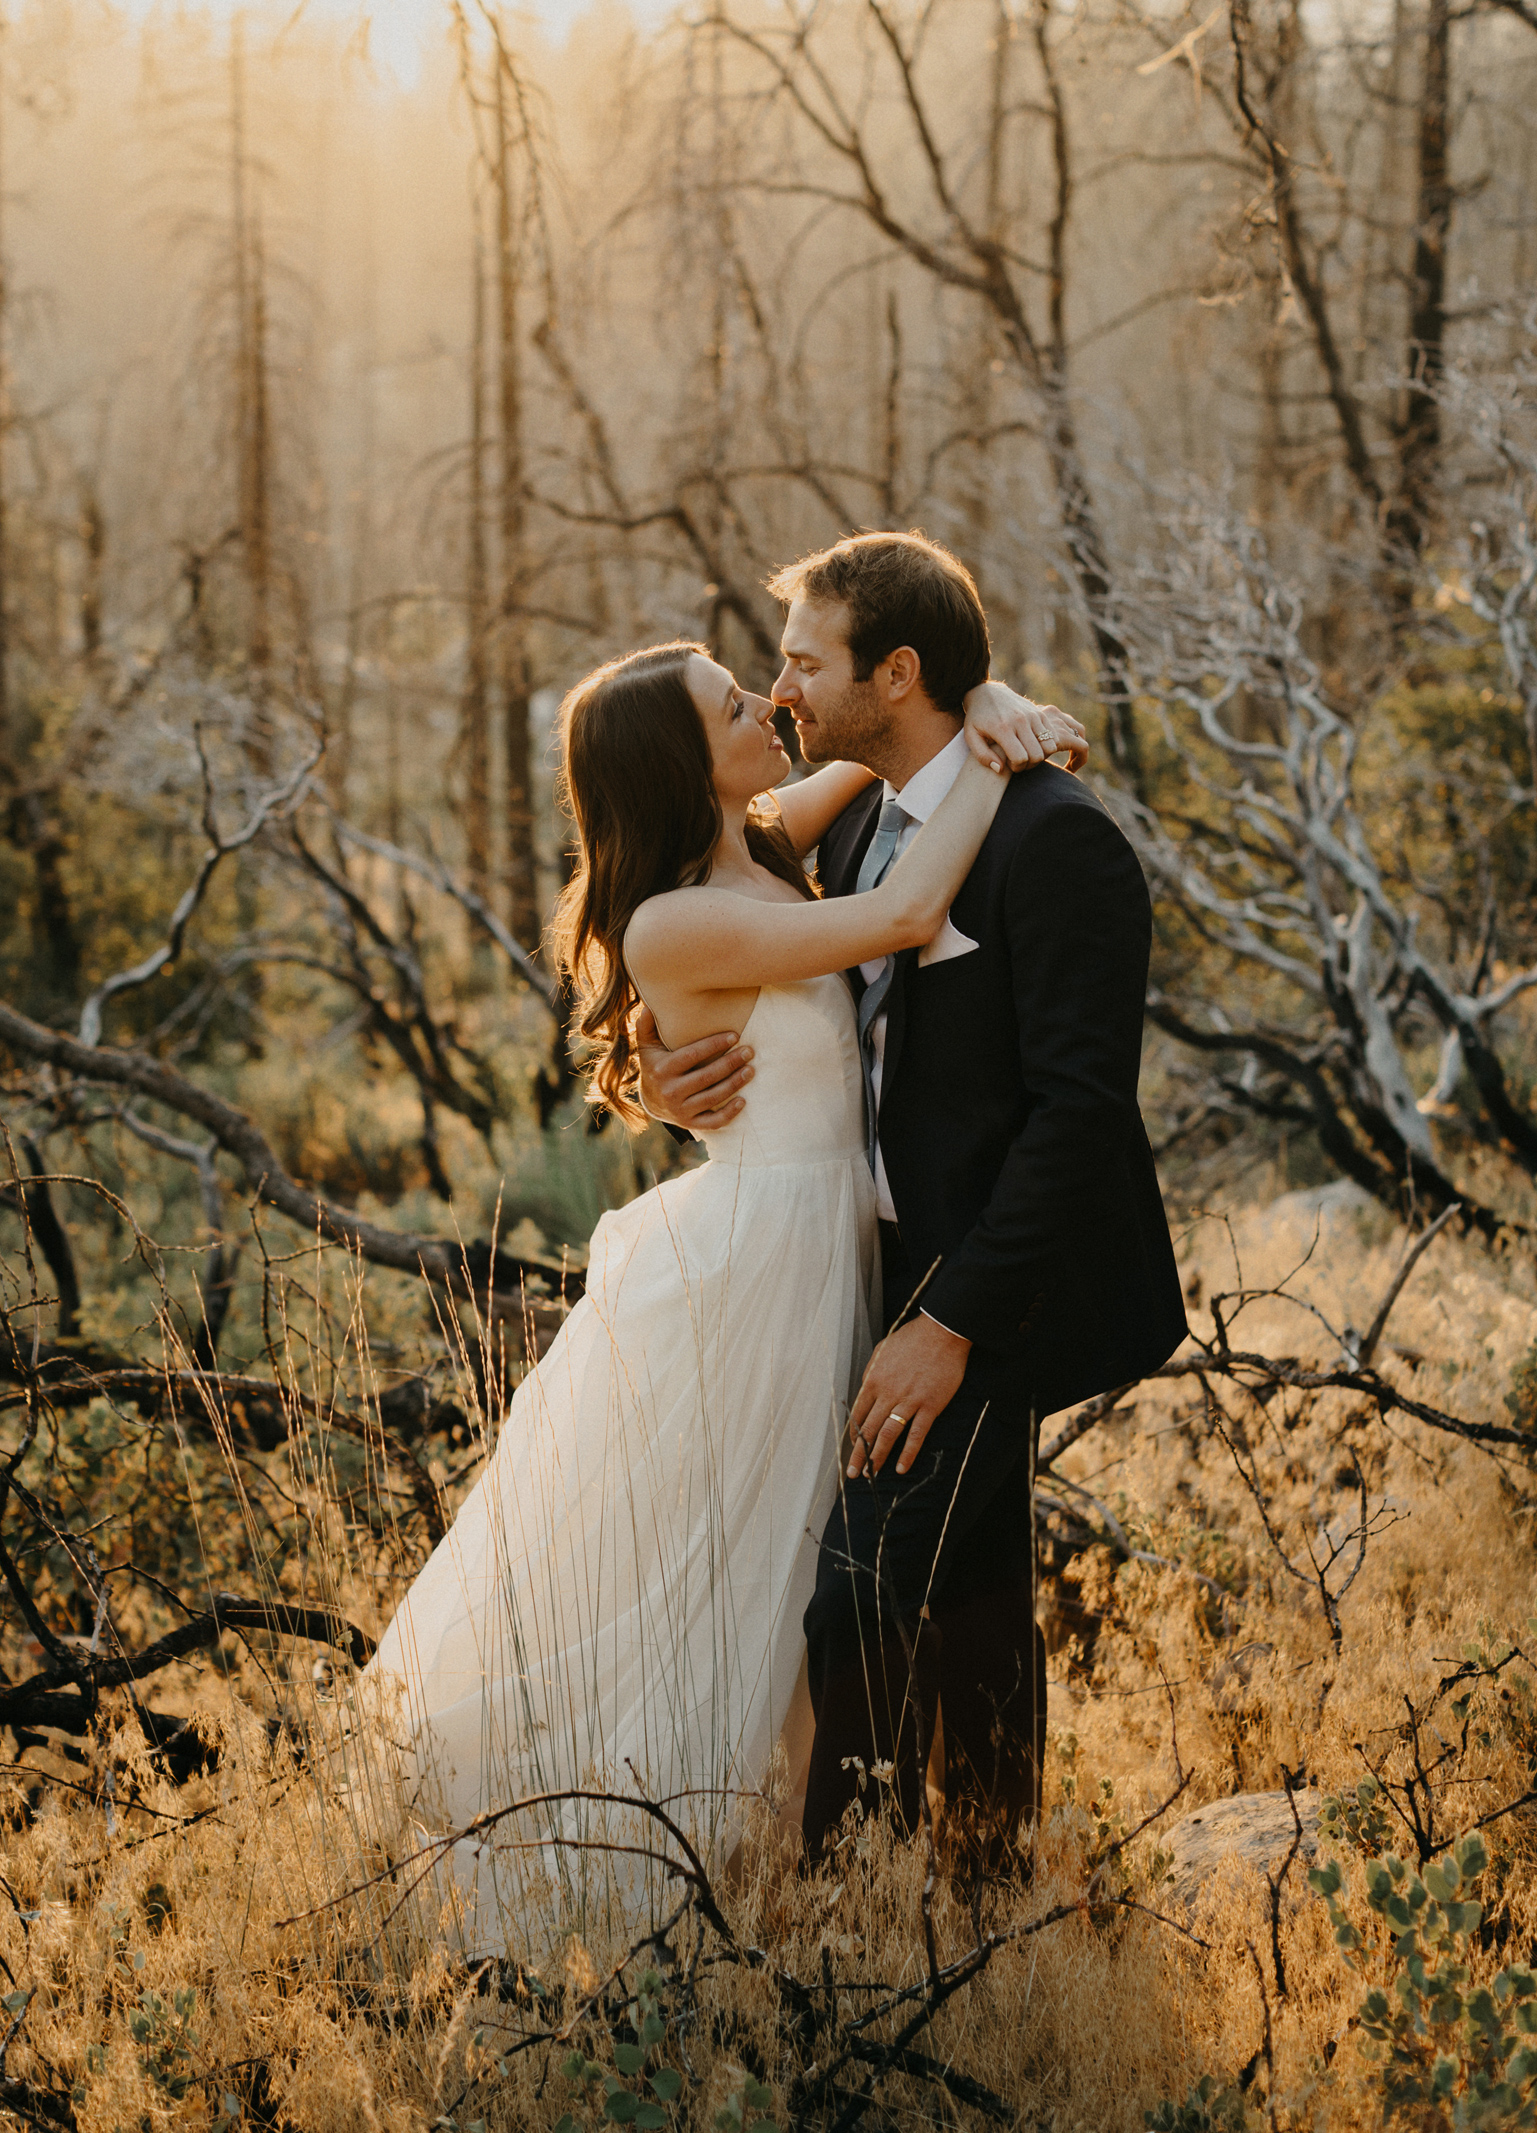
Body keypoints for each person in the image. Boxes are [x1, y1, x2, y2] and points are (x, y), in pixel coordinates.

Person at [366, 634, 1079, 1947]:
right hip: (752, 1275)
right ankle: (632, 1892)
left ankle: (788, 1898)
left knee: (794, 1585)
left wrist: (981, 700)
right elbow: (907, 911)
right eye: (734, 702)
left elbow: (860, 772)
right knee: (733, 1583)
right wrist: (995, 739)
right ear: (673, 763)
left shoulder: (751, 841)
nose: (768, 701)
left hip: (816, 1260)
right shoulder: (676, 917)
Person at [640, 532, 1188, 1870]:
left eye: (805, 660)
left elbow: (1081, 1116)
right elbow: (718, 940)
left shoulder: (1058, 842)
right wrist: (665, 1071)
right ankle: (988, 1873)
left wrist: (949, 1323)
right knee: (979, 1574)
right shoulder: (875, 814)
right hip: (869, 1265)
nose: (783, 688)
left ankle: (848, 1925)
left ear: (894, 671)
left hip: (986, 1282)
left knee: (859, 1593)